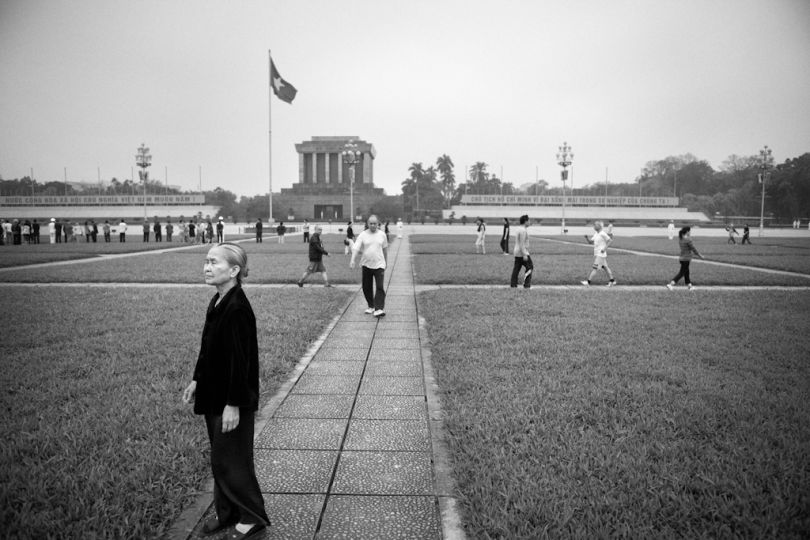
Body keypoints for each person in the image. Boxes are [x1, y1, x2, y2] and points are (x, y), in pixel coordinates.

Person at [182, 243, 270, 539]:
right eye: (205, 261)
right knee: (220, 456)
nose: (207, 267)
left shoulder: (237, 308)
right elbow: (208, 348)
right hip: (213, 392)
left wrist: (234, 404)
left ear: (233, 271)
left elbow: (240, 362)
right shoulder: (218, 300)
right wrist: (196, 380)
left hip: (232, 399)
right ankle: (228, 511)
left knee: (233, 458)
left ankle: (253, 514)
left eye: (214, 262)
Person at [350, 215, 388, 317]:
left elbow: (385, 249)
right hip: (366, 264)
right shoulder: (363, 235)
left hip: (379, 264)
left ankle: (379, 308)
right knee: (366, 287)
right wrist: (352, 260)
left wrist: (385, 262)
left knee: (380, 286)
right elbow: (356, 248)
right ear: (367, 224)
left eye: (374, 223)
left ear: (378, 224)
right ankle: (371, 306)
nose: (373, 225)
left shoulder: (382, 235)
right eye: (370, 223)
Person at [667, 226, 704, 291]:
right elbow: (693, 249)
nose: (690, 232)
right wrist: (700, 255)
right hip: (686, 259)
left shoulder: (681, 239)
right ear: (687, 231)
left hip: (681, 259)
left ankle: (690, 286)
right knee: (681, 273)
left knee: (686, 273)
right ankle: (671, 284)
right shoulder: (688, 240)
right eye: (690, 231)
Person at [581, 221, 616, 287]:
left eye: (595, 225)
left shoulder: (602, 233)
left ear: (599, 226)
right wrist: (586, 238)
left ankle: (588, 282)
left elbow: (610, 240)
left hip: (601, 254)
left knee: (595, 268)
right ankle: (612, 281)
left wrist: (604, 249)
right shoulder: (596, 234)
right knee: (606, 268)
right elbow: (590, 242)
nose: (594, 226)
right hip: (598, 253)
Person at [510, 214, 533, 288]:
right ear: (525, 221)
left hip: (516, 251)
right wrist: (524, 254)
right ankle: (527, 285)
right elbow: (521, 243)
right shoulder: (523, 230)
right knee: (530, 267)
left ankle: (513, 285)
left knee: (516, 268)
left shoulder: (518, 229)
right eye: (529, 221)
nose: (529, 222)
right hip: (522, 252)